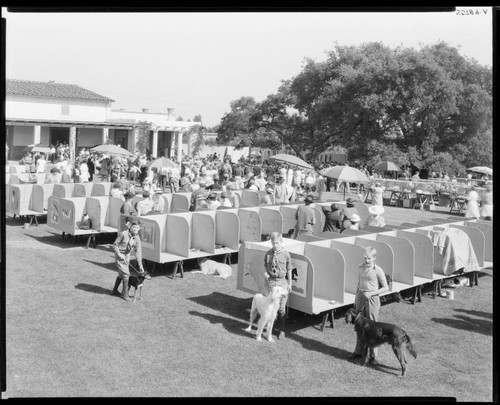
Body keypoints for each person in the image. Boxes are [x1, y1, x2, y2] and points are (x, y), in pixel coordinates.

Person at [348, 247, 389, 364]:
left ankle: (373, 356)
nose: (366, 261)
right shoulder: (359, 267)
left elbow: (386, 288)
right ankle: (358, 352)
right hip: (360, 297)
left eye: (369, 258)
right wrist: (357, 299)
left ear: (374, 258)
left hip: (372, 299)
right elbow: (359, 283)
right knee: (359, 325)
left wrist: (371, 293)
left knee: (373, 328)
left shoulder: (378, 270)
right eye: (365, 258)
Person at [264, 232, 292, 340]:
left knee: (281, 308)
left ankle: (282, 330)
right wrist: (266, 274)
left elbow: (289, 269)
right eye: (273, 243)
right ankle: (269, 328)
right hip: (271, 283)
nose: (275, 245)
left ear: (281, 242)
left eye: (277, 243)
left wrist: (290, 283)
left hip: (282, 283)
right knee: (270, 307)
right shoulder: (268, 254)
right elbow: (266, 266)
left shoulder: (286, 254)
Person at [111, 218, 146, 302]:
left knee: (121, 275)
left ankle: (114, 291)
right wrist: (119, 254)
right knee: (126, 274)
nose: (135, 229)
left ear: (139, 228)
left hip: (127, 256)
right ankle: (125, 294)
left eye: (137, 227)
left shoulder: (137, 238)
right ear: (130, 227)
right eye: (134, 227)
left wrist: (140, 265)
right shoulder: (123, 234)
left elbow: (138, 251)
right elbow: (114, 245)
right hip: (120, 256)